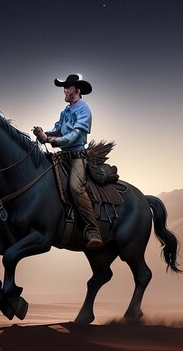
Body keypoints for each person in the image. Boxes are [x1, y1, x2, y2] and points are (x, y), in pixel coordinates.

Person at [33, 74, 103, 249]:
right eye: (64, 87)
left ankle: (93, 230)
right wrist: (44, 135)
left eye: (68, 87)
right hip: (62, 157)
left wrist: (54, 141)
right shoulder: (65, 111)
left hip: (77, 157)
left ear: (77, 90)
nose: (65, 90)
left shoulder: (83, 110)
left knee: (75, 187)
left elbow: (76, 134)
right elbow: (57, 130)